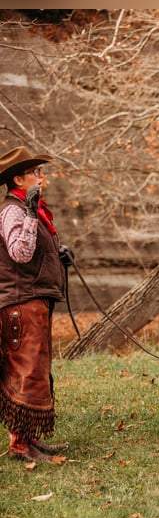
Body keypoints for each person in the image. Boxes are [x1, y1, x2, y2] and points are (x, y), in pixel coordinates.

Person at [0, 146, 69, 463]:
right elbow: (20, 253)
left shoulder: (31, 210)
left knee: (36, 370)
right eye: (35, 172)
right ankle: (19, 444)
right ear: (18, 178)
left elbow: (34, 252)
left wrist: (58, 254)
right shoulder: (14, 210)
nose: (42, 177)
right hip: (20, 303)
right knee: (24, 372)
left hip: (33, 299)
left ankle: (30, 439)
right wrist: (29, 215)